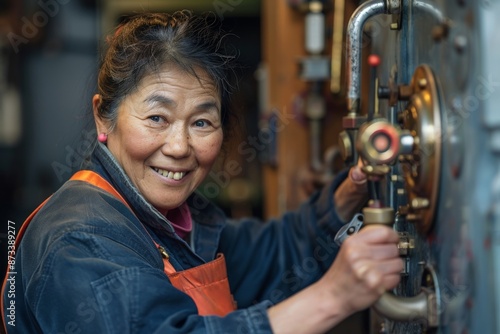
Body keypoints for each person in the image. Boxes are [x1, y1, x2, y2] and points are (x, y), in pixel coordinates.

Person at [2, 11, 403, 334]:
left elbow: (268, 257)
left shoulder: (172, 219)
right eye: (157, 117)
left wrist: (345, 198)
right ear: (102, 118)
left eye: (201, 123)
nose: (179, 147)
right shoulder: (81, 241)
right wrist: (334, 298)